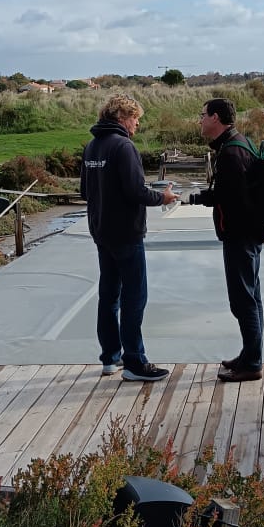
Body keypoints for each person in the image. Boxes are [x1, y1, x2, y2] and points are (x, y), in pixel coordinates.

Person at [80, 94, 178, 382]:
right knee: (135, 297)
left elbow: (86, 192)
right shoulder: (124, 147)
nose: (137, 123)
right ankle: (135, 361)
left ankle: (110, 357)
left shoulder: (92, 146)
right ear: (122, 116)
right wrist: (164, 197)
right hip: (126, 233)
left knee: (109, 296)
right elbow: (137, 192)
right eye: (135, 118)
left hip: (101, 232)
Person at [190, 98, 264, 382]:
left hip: (240, 236)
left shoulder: (231, 153)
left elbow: (238, 201)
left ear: (215, 118)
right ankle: (250, 354)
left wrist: (260, 228)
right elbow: (238, 194)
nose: (199, 120)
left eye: (203, 115)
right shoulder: (237, 143)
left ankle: (252, 363)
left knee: (243, 301)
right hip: (246, 234)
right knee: (252, 297)